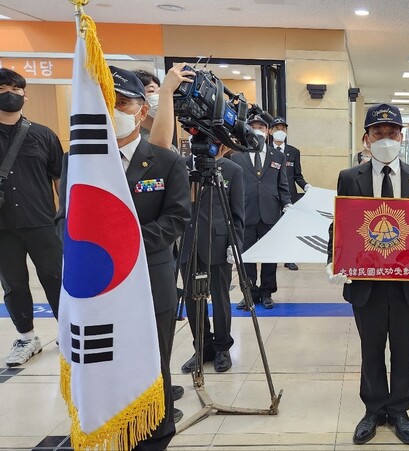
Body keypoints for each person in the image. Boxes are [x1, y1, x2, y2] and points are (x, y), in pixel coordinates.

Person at [56, 66, 191, 449]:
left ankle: (155, 433)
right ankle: (109, 421)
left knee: (153, 358)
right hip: (100, 283)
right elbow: (64, 218)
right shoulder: (79, 161)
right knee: (104, 356)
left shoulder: (166, 162)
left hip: (151, 278)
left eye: (124, 102)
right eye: (106, 103)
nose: (114, 109)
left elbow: (177, 218)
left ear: (141, 111)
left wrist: (125, 244)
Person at [327, 103, 409, 446]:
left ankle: (400, 410)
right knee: (371, 347)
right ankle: (374, 408)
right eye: (378, 133)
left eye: (392, 133)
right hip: (366, 282)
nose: (385, 138)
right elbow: (340, 224)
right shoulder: (350, 177)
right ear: (366, 138)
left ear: (402, 137)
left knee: (404, 347)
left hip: (408, 282)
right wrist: (334, 259)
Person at [0, 68, 63, 367]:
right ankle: (26, 337)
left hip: (42, 222)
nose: (9, 94)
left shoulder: (43, 135)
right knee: (13, 284)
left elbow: (59, 179)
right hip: (3, 228)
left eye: (15, 88)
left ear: (25, 94)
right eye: (2, 88)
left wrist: (66, 216)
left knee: (55, 278)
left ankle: (67, 331)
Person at [179, 150, 244, 374]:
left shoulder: (232, 170)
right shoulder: (182, 166)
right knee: (192, 300)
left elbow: (237, 214)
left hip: (217, 243)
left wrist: (235, 244)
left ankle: (222, 347)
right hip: (188, 243)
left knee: (220, 298)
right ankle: (202, 347)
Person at [230, 114, 292, 309]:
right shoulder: (236, 156)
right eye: (253, 126)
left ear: (268, 131)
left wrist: (287, 204)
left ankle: (267, 292)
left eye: (261, 127)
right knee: (247, 256)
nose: (257, 130)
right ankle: (249, 292)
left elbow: (282, 184)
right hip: (245, 213)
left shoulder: (278, 156)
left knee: (269, 256)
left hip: (270, 213)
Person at [268, 116, 310, 271]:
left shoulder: (293, 152)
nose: (280, 131)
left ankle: (289, 258)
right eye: (277, 129)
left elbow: (297, 175)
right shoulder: (266, 151)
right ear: (271, 131)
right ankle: (272, 255)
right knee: (272, 227)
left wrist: (305, 186)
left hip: (290, 196)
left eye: (283, 129)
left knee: (289, 228)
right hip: (272, 196)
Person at [132, 69, 181, 154]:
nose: (159, 97)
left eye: (160, 92)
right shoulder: (136, 139)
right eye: (151, 91)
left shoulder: (159, 135)